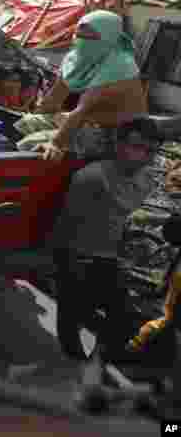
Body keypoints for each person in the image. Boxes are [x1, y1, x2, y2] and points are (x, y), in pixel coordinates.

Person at [49, 116, 159, 361]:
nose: (142, 156)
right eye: (136, 146)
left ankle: (96, 359)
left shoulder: (145, 179)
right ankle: (74, 358)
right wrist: (62, 264)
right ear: (118, 144)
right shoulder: (91, 178)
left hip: (111, 257)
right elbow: (67, 223)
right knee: (73, 312)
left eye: (150, 151)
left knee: (121, 314)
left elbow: (128, 214)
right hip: (78, 255)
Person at [33, 10, 148, 162]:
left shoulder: (120, 65)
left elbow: (82, 109)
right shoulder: (76, 58)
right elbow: (54, 98)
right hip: (87, 122)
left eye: (90, 37)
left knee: (33, 142)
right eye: (79, 35)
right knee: (26, 124)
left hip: (122, 136)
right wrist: (36, 116)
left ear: (109, 38)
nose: (82, 41)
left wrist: (56, 144)